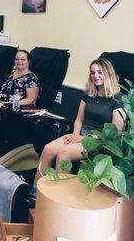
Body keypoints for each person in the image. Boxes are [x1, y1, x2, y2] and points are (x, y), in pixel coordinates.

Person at [33, 58, 125, 186]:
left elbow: (115, 135)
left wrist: (84, 139)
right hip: (80, 135)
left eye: (100, 72)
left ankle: (59, 195)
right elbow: (79, 119)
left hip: (98, 142)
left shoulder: (118, 100)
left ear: (108, 73)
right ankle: (35, 192)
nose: (95, 76)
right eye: (92, 73)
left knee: (64, 153)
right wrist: (76, 135)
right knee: (48, 149)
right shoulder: (89, 93)